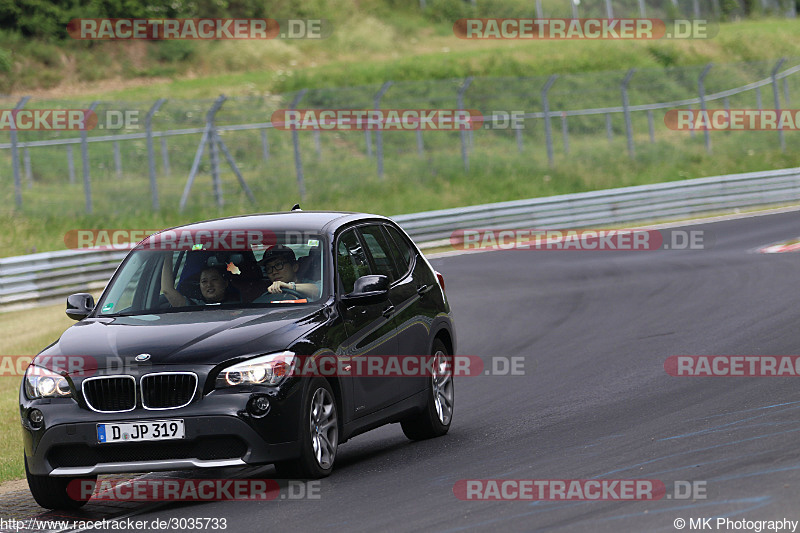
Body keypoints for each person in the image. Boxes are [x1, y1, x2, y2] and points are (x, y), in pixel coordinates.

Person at [161, 254, 239, 307]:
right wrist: (168, 256)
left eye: (214, 279)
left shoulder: (241, 307)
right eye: (204, 281)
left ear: (225, 283)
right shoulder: (194, 306)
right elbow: (167, 290)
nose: (209, 285)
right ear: (199, 285)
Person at [255, 245, 320, 301]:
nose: (274, 272)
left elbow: (319, 290)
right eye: (269, 268)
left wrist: (289, 286)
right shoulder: (266, 292)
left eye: (278, 265)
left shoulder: (311, 284)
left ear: (295, 267)